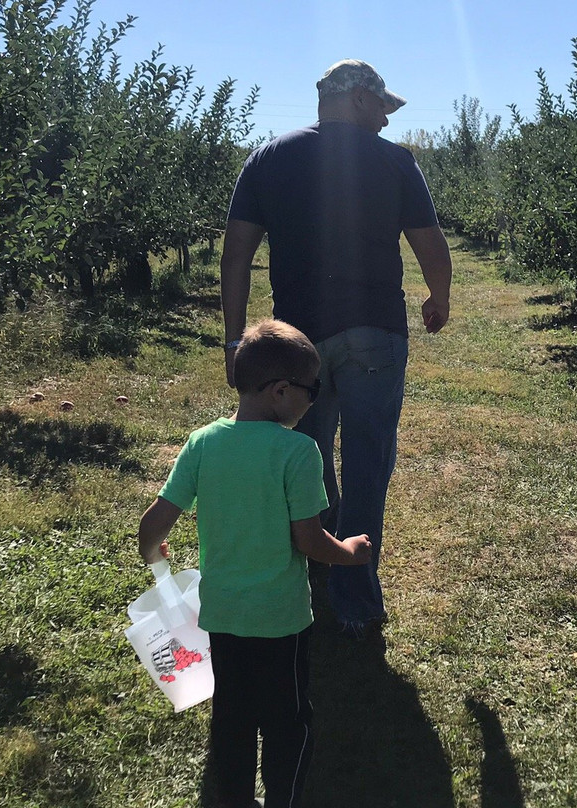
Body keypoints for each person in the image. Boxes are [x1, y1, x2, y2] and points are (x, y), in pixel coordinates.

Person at [219, 59, 453, 642]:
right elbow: (430, 242)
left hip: (300, 344)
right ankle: (355, 597)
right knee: (368, 462)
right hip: (376, 331)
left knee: (309, 453)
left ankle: (321, 558)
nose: (386, 120)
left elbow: (236, 255)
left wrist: (235, 338)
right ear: (357, 98)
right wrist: (439, 295)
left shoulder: (269, 158)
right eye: (383, 107)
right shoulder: (395, 162)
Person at [137, 319, 373, 808]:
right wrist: (350, 553)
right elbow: (309, 541)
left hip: (222, 617)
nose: (314, 401)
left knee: (233, 721)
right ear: (280, 391)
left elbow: (154, 522)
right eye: (312, 390)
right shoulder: (298, 452)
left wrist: (154, 554)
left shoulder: (203, 442)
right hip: (280, 621)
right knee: (288, 721)